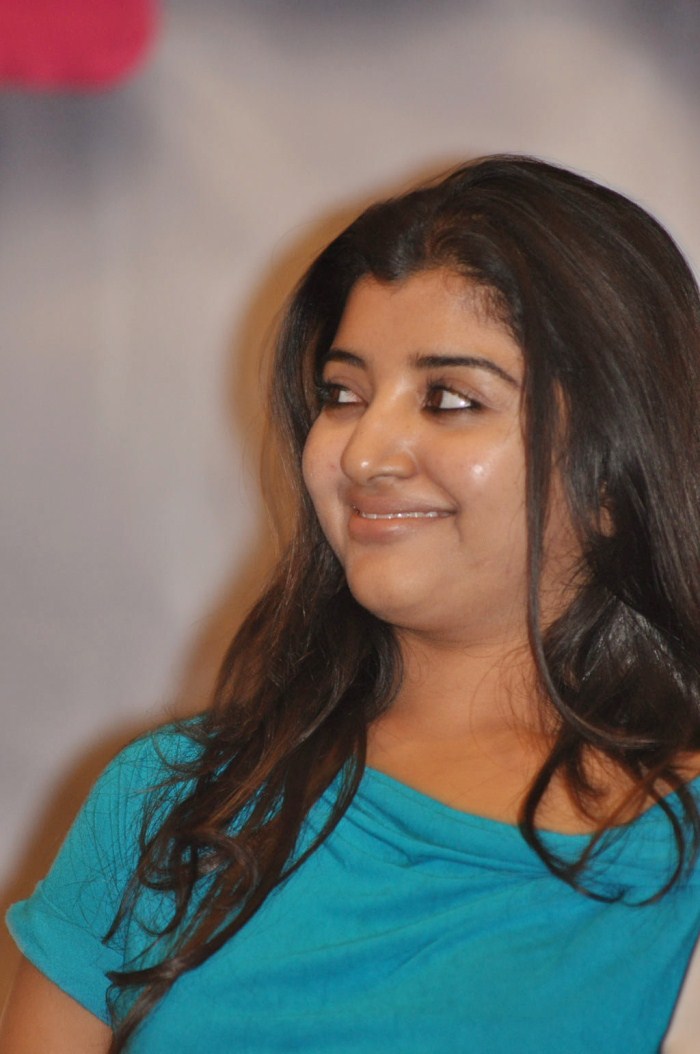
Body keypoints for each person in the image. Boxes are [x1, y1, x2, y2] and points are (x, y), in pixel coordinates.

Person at [2, 154, 700, 1053]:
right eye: (343, 394)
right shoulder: (173, 800)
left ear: (616, 473)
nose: (364, 452)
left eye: (449, 399)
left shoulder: (677, 858)